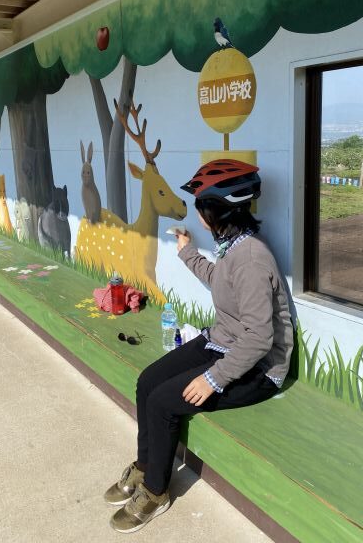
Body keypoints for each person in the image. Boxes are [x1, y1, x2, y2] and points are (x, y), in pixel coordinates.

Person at [104, 159, 294, 534]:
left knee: (163, 402)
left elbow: (259, 338)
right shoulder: (232, 246)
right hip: (223, 341)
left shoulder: (252, 260)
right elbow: (220, 281)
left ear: (213, 211)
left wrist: (213, 378)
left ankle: (156, 491)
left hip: (258, 368)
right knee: (147, 382)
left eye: (200, 207)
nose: (197, 214)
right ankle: (146, 465)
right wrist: (187, 251)